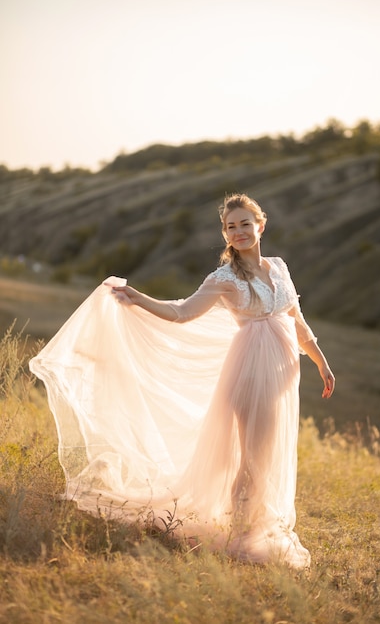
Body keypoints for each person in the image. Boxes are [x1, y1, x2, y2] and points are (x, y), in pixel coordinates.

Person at [30, 193, 335, 569]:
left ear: (261, 225)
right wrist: (138, 298)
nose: (238, 231)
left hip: (282, 375)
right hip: (250, 374)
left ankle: (249, 524)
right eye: (230, 226)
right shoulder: (224, 278)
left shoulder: (279, 268)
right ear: (224, 233)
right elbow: (181, 312)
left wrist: (322, 363)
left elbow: (297, 321)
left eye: (244, 223)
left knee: (267, 455)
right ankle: (241, 536)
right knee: (253, 459)